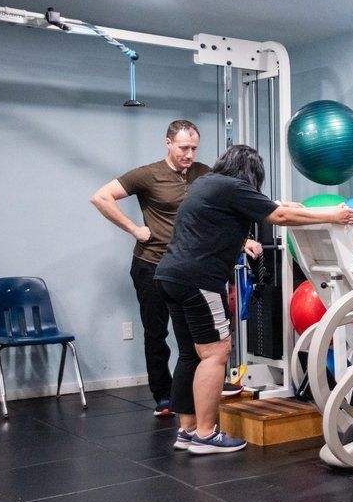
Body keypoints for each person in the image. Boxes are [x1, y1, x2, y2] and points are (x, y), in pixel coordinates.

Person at [154, 144, 353, 454]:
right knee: (215, 353)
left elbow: (275, 205)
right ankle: (206, 435)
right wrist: (334, 214)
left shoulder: (207, 183)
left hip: (170, 275)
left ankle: (187, 430)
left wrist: (297, 208)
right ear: (251, 174)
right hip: (198, 280)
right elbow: (279, 215)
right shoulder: (233, 188)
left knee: (191, 355)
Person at [91, 121, 257, 416]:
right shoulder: (148, 174)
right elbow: (101, 196)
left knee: (201, 337)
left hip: (195, 266)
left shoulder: (205, 174)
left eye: (194, 148)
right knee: (156, 332)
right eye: (183, 148)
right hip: (152, 263)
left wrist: (243, 240)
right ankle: (163, 395)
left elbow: (221, 212)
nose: (189, 154)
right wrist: (134, 229)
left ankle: (206, 386)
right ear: (168, 143)